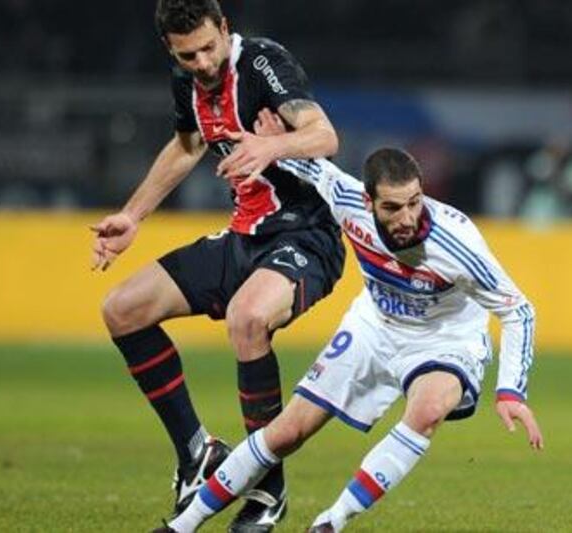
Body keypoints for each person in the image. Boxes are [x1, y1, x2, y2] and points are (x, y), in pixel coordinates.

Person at [157, 134, 544, 533]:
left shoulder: (457, 244)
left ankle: (331, 522)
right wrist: (266, 143)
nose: (407, 217)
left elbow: (518, 310)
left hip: (445, 337)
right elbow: (308, 165)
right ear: (368, 202)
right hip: (373, 326)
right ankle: (182, 526)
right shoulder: (345, 198)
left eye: (414, 202)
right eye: (392, 207)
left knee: (428, 410)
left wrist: (511, 391)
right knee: (287, 431)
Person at [90, 1, 345, 530]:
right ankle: (197, 453)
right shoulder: (186, 78)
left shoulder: (262, 64)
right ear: (171, 49)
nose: (203, 62)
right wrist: (133, 215)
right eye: (189, 54)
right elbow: (187, 145)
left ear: (225, 28)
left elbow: (325, 135)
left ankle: (267, 491)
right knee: (123, 308)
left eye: (209, 47)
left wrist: (270, 145)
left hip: (306, 235)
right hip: (243, 238)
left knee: (248, 319)